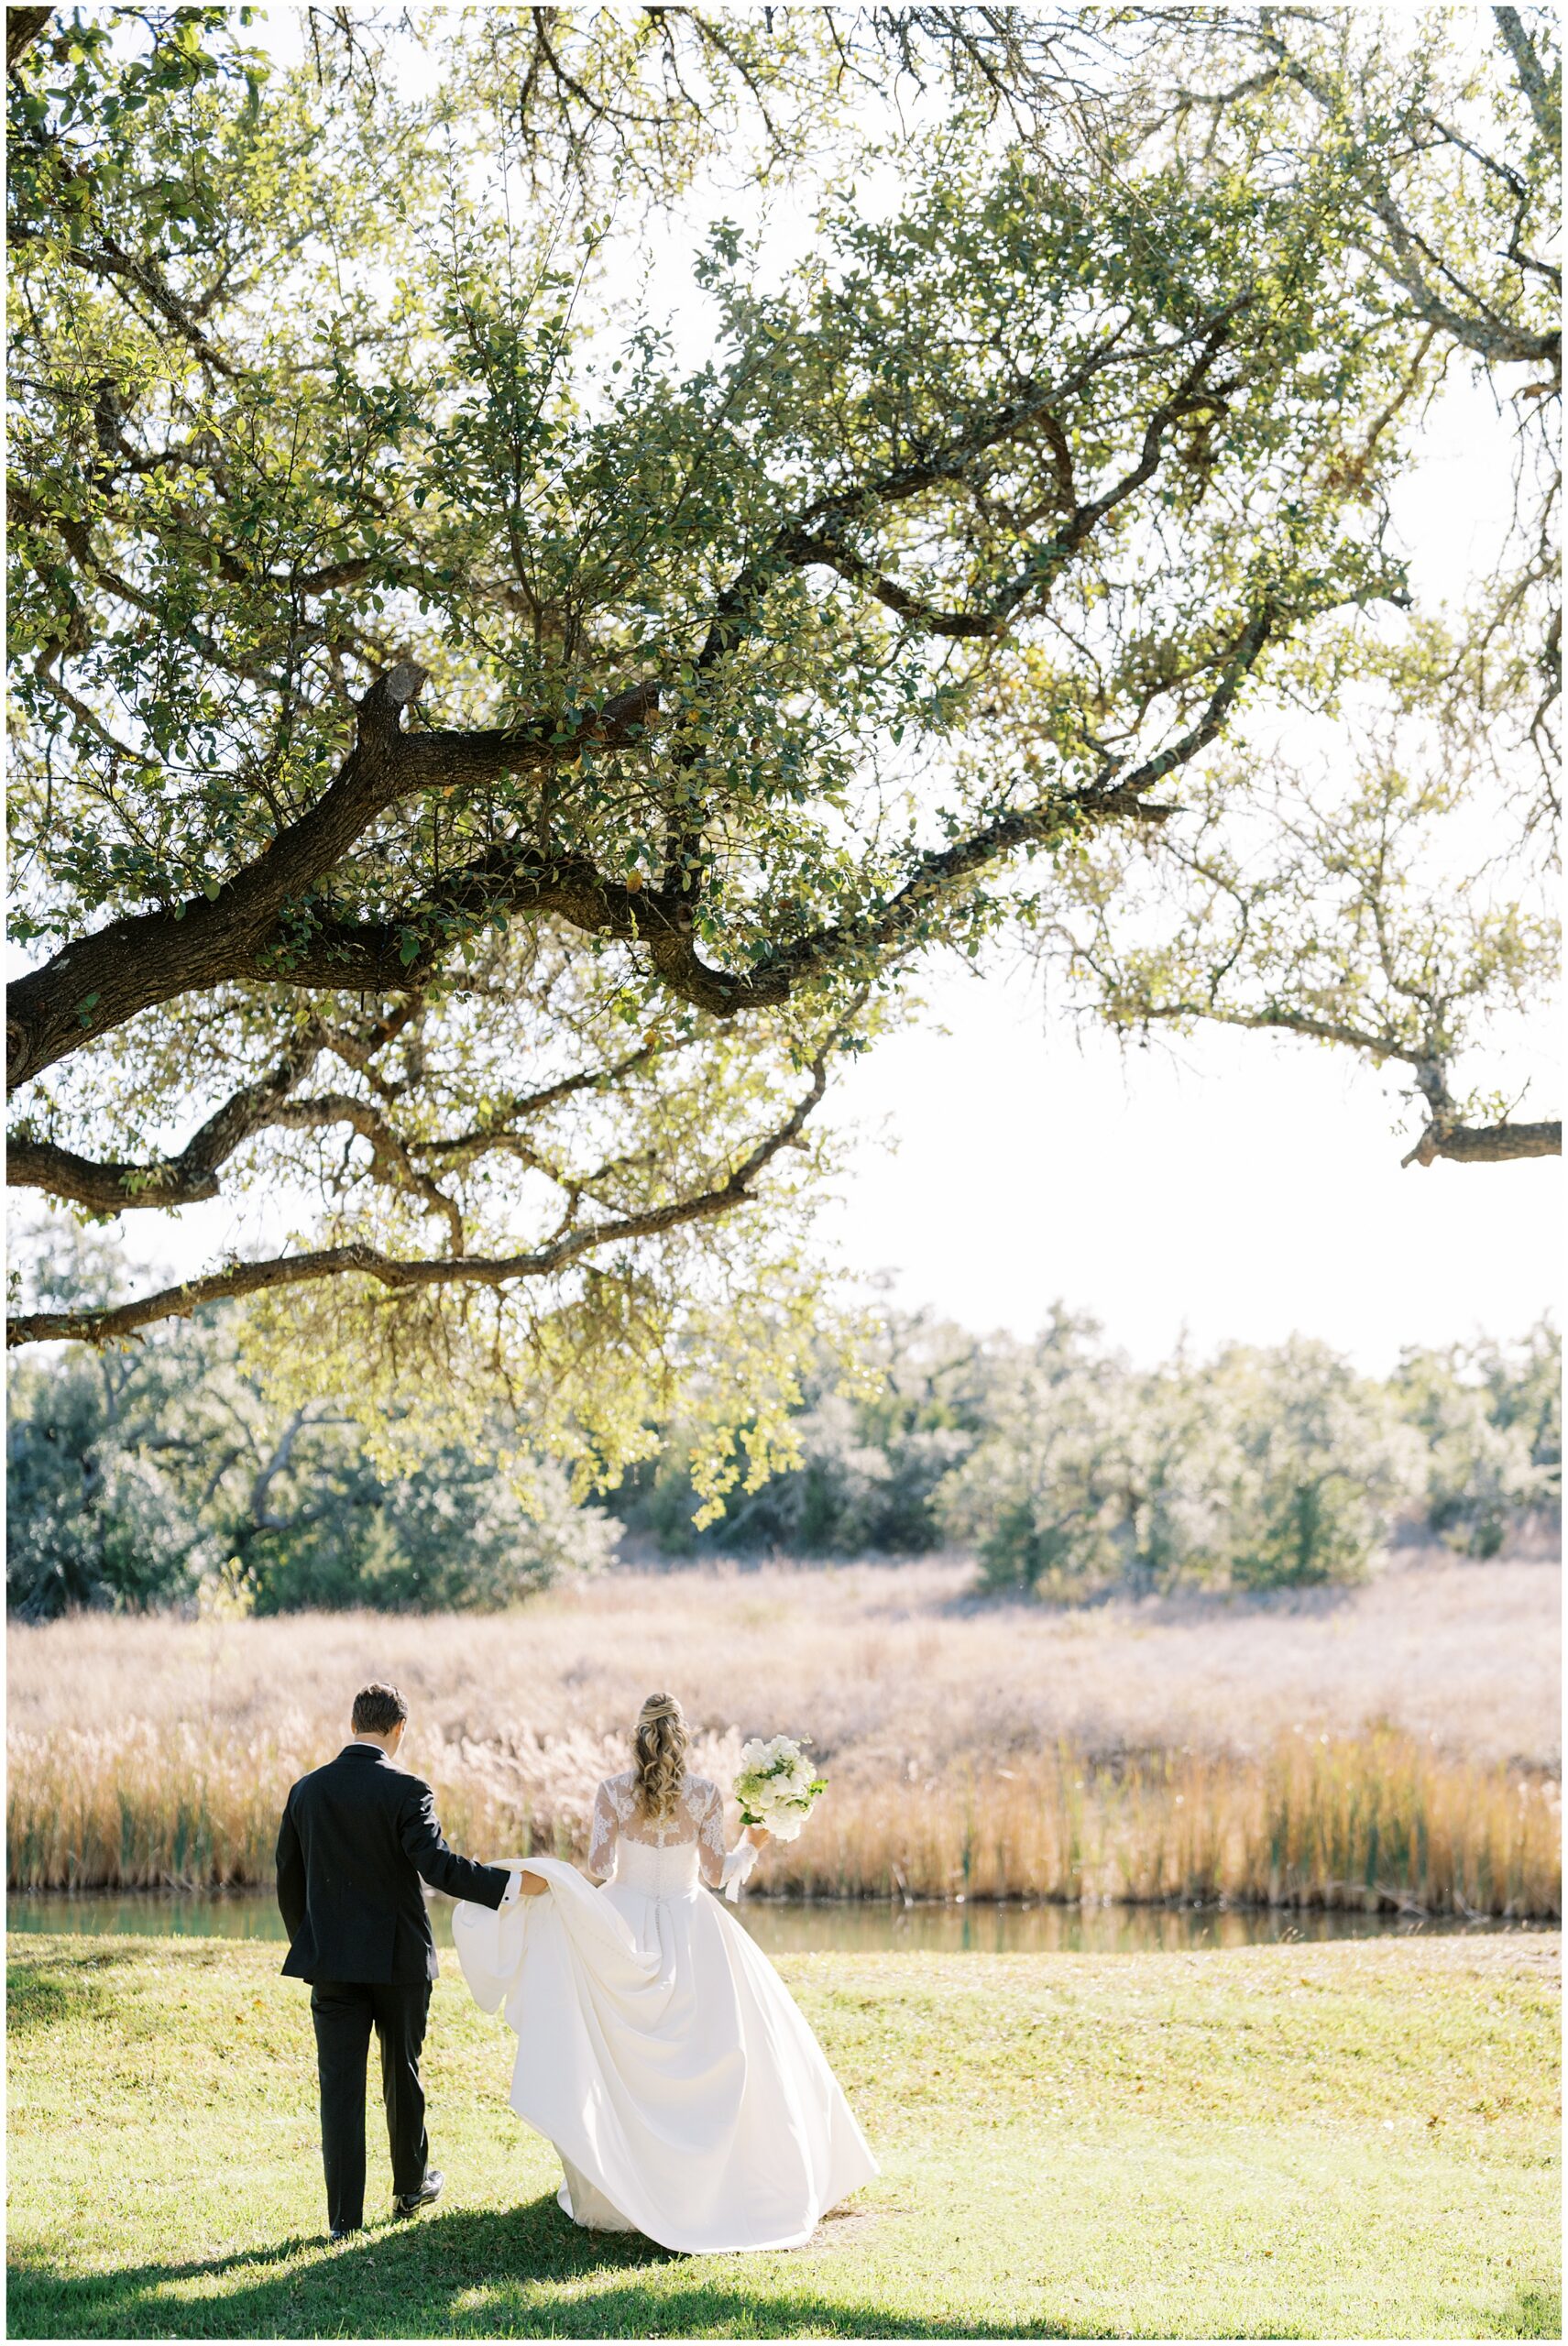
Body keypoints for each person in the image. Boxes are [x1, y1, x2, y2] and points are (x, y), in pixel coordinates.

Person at [452, 1691, 879, 2253]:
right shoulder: (704, 1794)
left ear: (638, 1737)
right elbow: (719, 1874)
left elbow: (601, 1868)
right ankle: (708, 2184)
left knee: (621, 2060)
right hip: (691, 1920)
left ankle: (626, 2179)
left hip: (622, 1921)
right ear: (683, 1738)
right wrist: (754, 1842)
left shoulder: (611, 1793)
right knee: (720, 2047)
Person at [276, 1680, 521, 2240]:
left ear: (353, 1724)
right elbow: (436, 1866)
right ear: (398, 1730)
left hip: (332, 1965)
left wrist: (310, 1944)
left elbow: (287, 1877)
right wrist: (506, 1886)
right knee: (400, 2073)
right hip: (398, 1963)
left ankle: (344, 2221)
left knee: (339, 2087)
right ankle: (410, 2187)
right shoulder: (408, 1789)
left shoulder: (306, 1791)